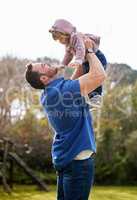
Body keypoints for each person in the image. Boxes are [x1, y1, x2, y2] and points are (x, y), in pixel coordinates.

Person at [25, 39, 106, 200]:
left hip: (68, 160)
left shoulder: (51, 93)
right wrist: (89, 51)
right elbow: (99, 75)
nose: (47, 64)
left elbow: (77, 77)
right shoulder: (61, 92)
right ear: (43, 79)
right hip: (78, 163)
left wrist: (78, 53)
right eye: (44, 66)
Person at [49, 19, 107, 110]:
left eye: (60, 38)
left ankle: (96, 99)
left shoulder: (76, 36)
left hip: (97, 58)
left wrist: (78, 60)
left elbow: (81, 48)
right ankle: (84, 100)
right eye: (58, 40)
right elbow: (68, 55)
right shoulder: (68, 44)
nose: (60, 42)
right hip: (85, 62)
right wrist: (63, 64)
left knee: (95, 78)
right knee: (84, 80)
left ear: (65, 33)